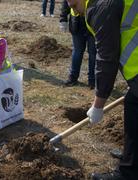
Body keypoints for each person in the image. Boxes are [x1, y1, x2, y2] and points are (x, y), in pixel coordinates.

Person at [66, 0, 138, 179]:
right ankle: (131, 156)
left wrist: (98, 105)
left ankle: (128, 173)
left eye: (74, 7)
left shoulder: (100, 6)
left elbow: (106, 58)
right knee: (133, 103)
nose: (74, 10)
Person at [60, 0, 96, 89]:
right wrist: (63, 17)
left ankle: (92, 81)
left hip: (93, 20)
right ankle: (73, 77)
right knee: (77, 51)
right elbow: (67, 1)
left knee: (93, 53)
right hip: (77, 22)